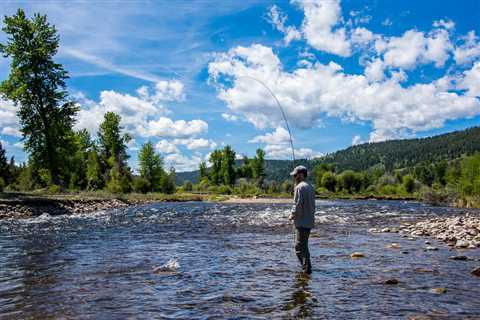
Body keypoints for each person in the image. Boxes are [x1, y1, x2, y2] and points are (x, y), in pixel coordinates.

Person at [289, 165, 315, 274]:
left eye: (295, 175)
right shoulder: (310, 186)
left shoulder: (299, 187)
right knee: (304, 246)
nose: (294, 177)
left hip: (301, 221)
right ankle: (307, 269)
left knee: (298, 247)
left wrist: (292, 215)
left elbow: (297, 204)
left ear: (301, 175)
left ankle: (306, 270)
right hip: (309, 221)